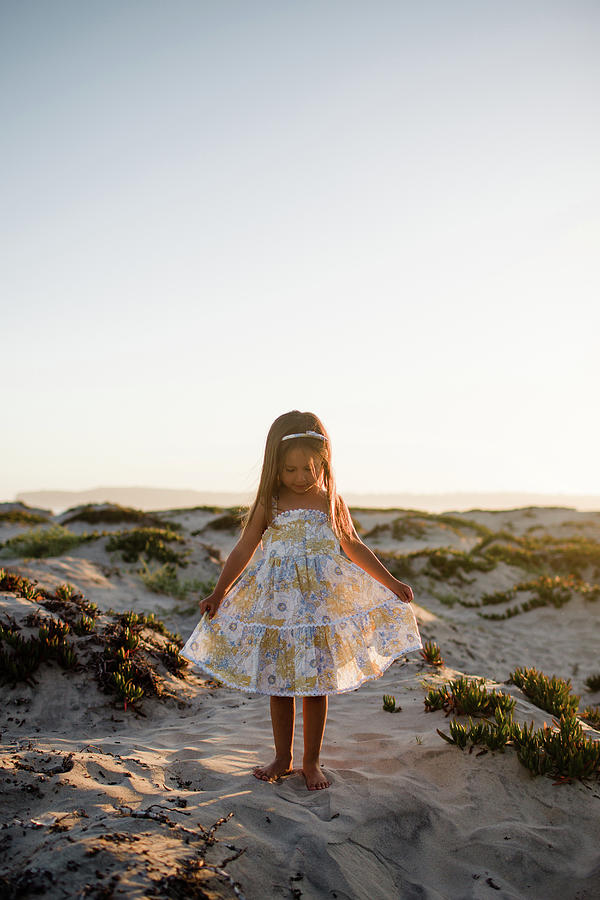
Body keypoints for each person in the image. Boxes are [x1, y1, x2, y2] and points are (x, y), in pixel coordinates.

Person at [181, 410, 422, 791]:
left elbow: (354, 546)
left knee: (315, 686)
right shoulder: (271, 502)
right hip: (277, 609)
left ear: (323, 463)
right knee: (278, 684)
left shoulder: (330, 502)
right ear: (275, 467)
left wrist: (391, 582)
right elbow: (245, 547)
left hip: (320, 611)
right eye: (289, 470)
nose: (298, 478)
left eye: (307, 469)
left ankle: (310, 762)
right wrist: (219, 591)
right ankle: (282, 756)